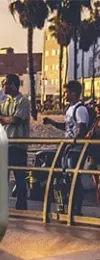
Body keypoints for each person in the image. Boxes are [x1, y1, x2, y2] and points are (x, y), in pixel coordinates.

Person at [42, 80, 89, 215]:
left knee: (74, 177)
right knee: (67, 176)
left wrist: (73, 142)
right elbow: (68, 127)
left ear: (73, 93)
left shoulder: (80, 109)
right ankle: (70, 205)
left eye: (66, 92)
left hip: (76, 149)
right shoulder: (70, 109)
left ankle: (76, 208)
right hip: (68, 148)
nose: (64, 95)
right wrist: (52, 123)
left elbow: (81, 130)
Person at [0, 74, 30, 211]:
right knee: (2, 176)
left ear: (12, 85)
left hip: (18, 145)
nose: (2, 86)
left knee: (20, 176)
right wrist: (5, 119)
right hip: (5, 144)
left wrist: (3, 119)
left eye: (4, 83)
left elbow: (16, 120)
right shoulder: (4, 102)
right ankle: (1, 206)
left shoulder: (23, 101)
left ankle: (21, 205)